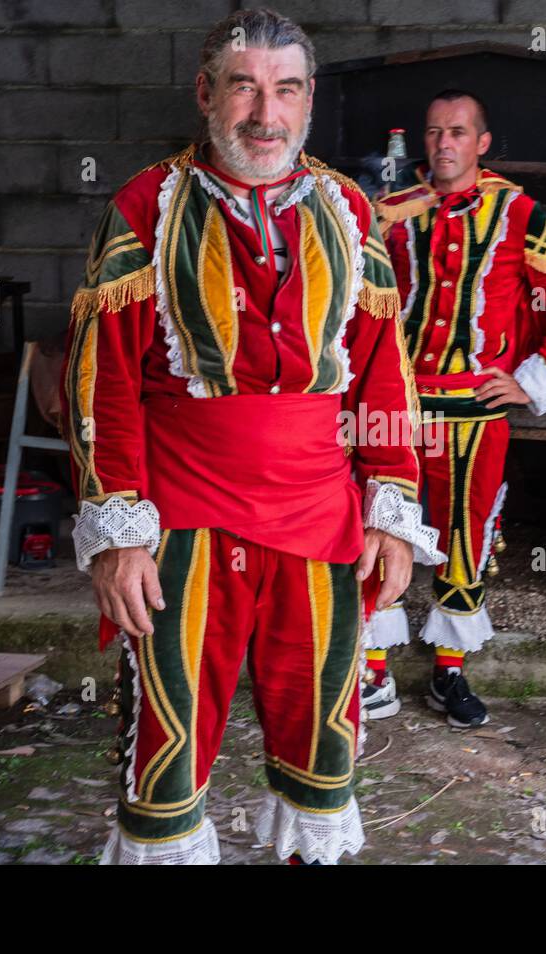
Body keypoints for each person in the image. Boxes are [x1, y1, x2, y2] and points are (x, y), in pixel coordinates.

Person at [62, 8, 440, 866]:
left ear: (309, 103)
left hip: (322, 524)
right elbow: (102, 384)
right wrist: (116, 534)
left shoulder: (351, 210)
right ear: (206, 95)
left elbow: (384, 374)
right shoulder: (143, 207)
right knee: (167, 743)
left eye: (286, 90)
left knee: (321, 739)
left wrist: (391, 507)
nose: (265, 114)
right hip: (182, 524)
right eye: (244, 88)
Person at [365, 89, 546, 727]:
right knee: (380, 523)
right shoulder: (388, 211)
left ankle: (448, 673)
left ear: (482, 142)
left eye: (459, 132)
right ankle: (374, 672)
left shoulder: (519, 212)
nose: (444, 143)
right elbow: (347, 295)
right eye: (435, 131)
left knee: (466, 534)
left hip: (473, 408)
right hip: (395, 404)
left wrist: (531, 381)